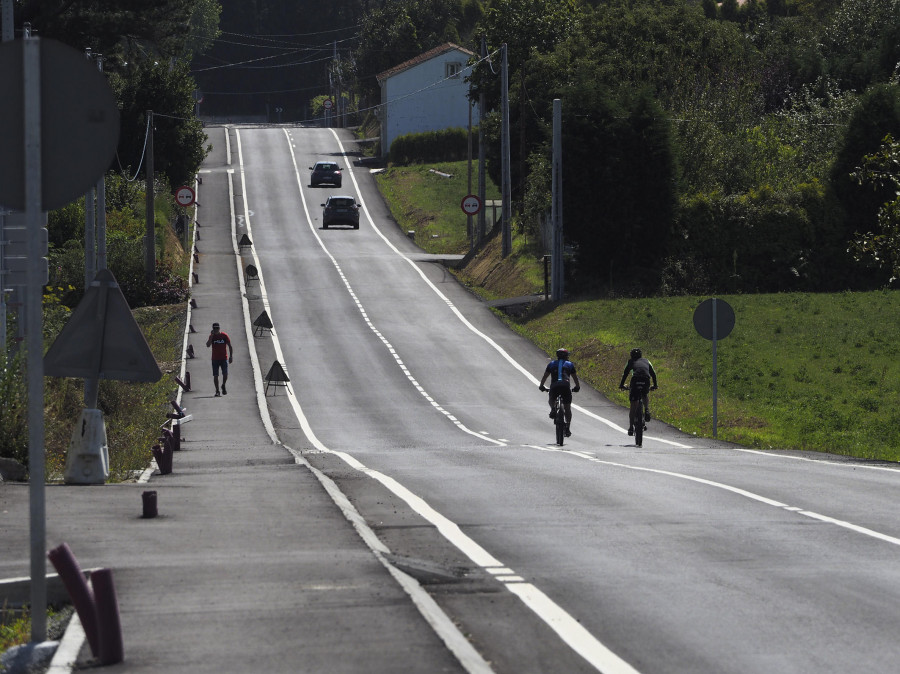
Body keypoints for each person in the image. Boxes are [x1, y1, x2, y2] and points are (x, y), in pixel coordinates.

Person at [538, 348, 581, 437]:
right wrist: (577, 387)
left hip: (555, 386)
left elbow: (545, 376)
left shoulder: (551, 364)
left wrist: (541, 386)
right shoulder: (570, 364)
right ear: (566, 356)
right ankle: (568, 427)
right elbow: (575, 378)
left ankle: (553, 409)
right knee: (567, 408)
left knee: (551, 399)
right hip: (565, 386)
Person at [618, 347, 658, 436]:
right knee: (644, 394)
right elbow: (653, 373)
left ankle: (631, 428)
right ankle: (646, 409)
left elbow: (625, 374)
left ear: (631, 356)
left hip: (635, 380)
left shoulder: (630, 362)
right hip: (646, 379)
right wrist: (655, 385)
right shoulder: (647, 361)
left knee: (633, 404)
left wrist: (621, 385)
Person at [205, 322, 233, 397]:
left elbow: (230, 346)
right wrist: (211, 336)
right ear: (212, 329)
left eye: (217, 328)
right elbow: (207, 345)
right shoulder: (212, 336)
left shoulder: (224, 335)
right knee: (215, 375)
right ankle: (217, 390)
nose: (216, 329)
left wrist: (231, 356)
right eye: (214, 328)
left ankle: (223, 385)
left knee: (225, 374)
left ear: (219, 328)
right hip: (215, 359)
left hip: (224, 358)